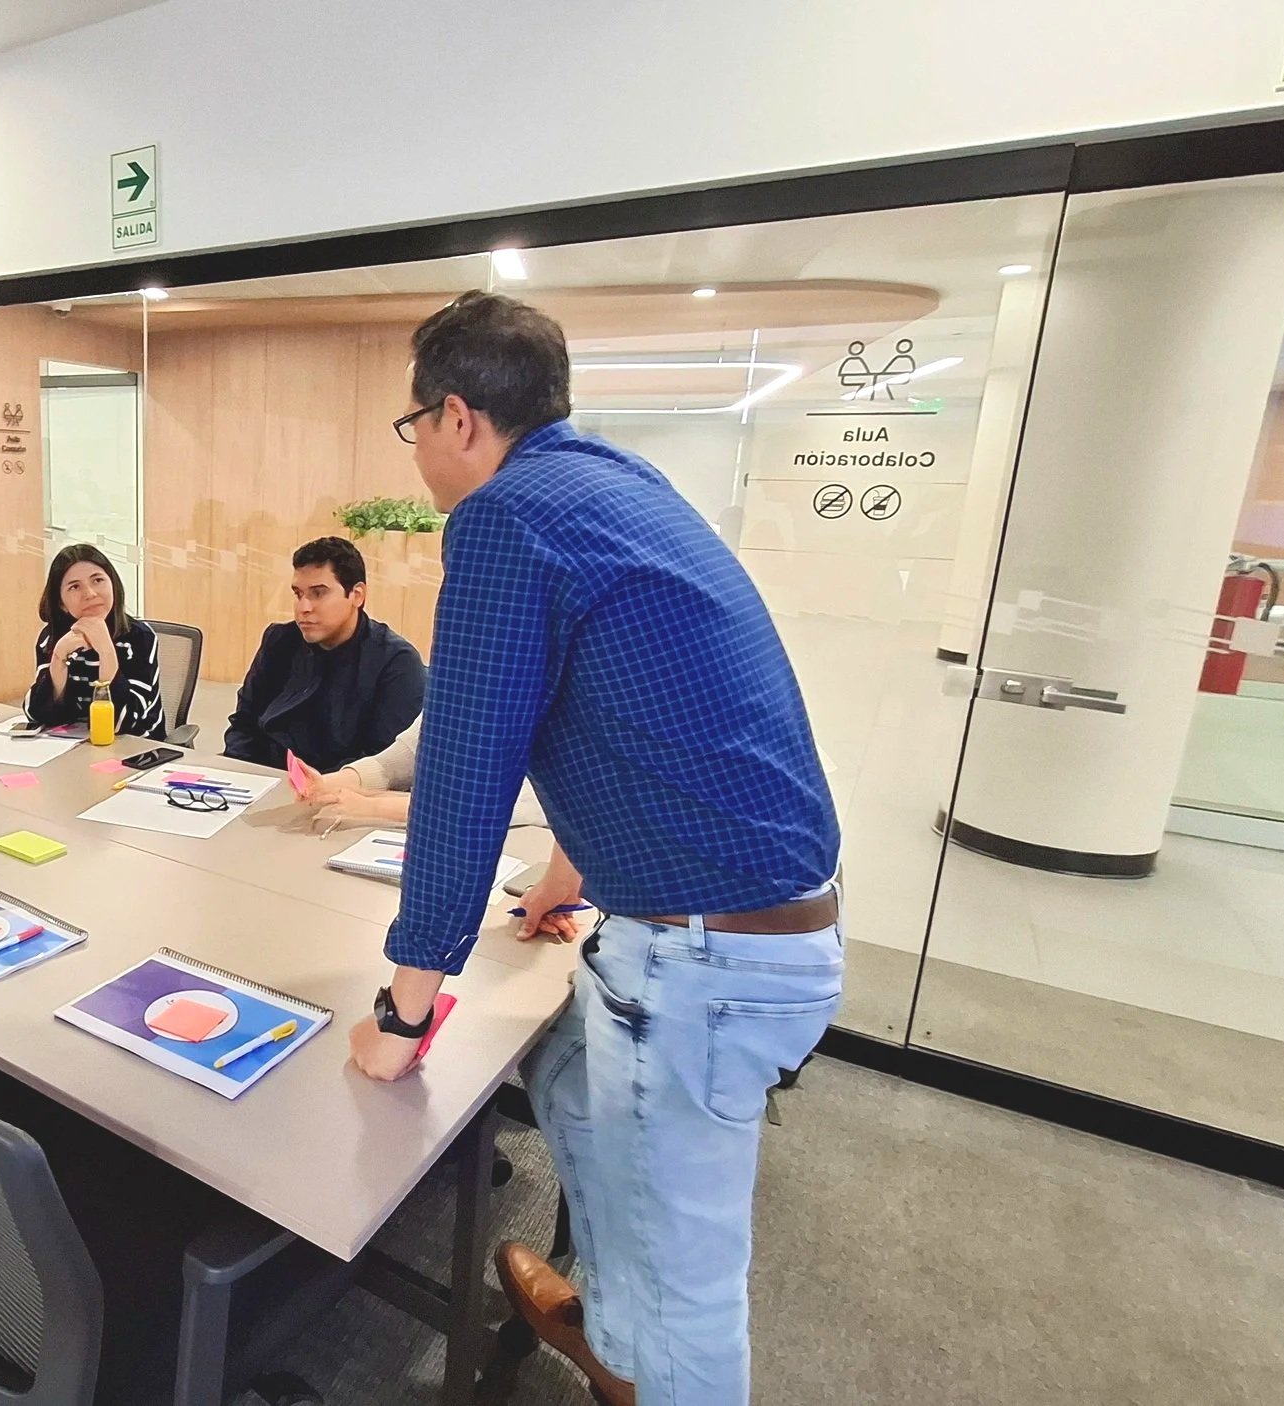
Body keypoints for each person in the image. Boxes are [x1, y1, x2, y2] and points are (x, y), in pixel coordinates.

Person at [351, 293, 841, 1406]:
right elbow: (615, 710)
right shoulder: (621, 482)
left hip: (713, 961)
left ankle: (647, 1341)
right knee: (562, 1061)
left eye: (413, 421)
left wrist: (403, 1011)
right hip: (763, 911)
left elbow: (467, 779)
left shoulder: (500, 517)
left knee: (691, 1290)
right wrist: (568, 872)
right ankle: (610, 1321)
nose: (417, 445)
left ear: (460, 417)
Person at [220, 536, 425, 772]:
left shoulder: (396, 662)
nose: (304, 607)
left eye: (318, 593)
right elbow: (244, 724)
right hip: (264, 780)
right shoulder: (280, 641)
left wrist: (315, 790)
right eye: (298, 594)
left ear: (357, 595)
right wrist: (243, 775)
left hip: (339, 794)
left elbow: (381, 762)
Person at [291, 714, 544, 832]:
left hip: (524, 842)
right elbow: (407, 754)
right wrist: (331, 784)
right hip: (437, 827)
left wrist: (372, 807)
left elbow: (513, 806)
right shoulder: (461, 671)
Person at [25, 544, 166, 738]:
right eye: (74, 587)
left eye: (98, 580)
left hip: (135, 749)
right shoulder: (52, 638)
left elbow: (122, 723)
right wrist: (58, 659)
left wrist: (106, 652)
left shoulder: (139, 638)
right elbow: (38, 715)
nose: (90, 593)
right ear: (61, 603)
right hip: (74, 748)